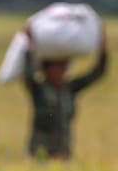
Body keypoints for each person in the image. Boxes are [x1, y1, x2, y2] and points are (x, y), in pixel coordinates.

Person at [22, 22, 108, 160]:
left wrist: (103, 47)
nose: (62, 71)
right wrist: (29, 44)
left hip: (63, 151)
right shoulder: (39, 88)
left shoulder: (70, 89)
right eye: (58, 67)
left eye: (63, 67)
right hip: (40, 150)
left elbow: (97, 73)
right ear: (46, 70)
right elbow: (28, 72)